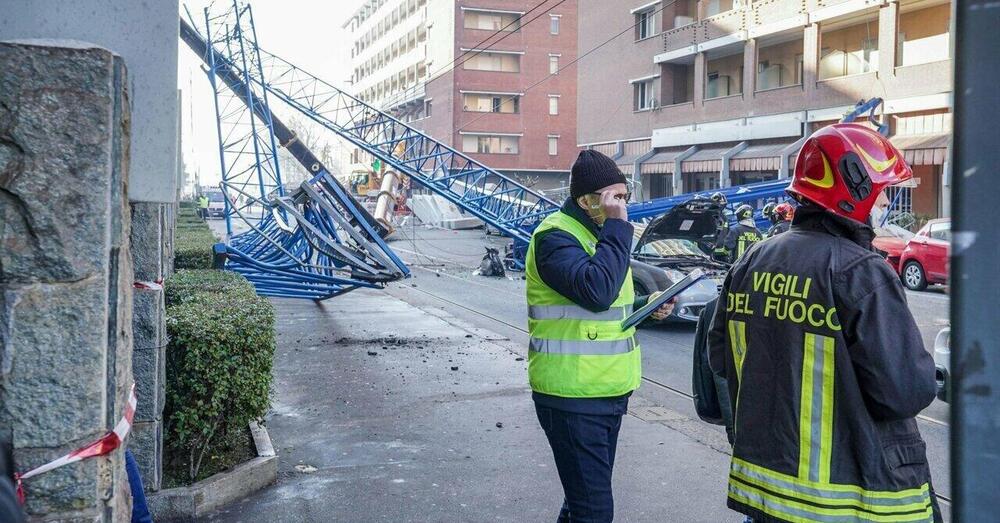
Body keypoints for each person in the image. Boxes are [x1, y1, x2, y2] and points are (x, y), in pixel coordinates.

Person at [707, 123, 942, 523]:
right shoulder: (861, 272)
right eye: (882, 191)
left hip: (765, 493)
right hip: (843, 498)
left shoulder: (751, 261)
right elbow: (902, 393)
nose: (884, 201)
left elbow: (720, 360)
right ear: (854, 189)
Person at [526, 150, 673, 523]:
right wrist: (618, 227)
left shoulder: (599, 235)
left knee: (581, 505)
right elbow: (596, 292)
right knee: (594, 511)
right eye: (613, 198)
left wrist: (647, 304)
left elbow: (610, 307)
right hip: (571, 395)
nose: (621, 206)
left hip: (605, 392)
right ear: (586, 200)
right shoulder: (555, 237)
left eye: (624, 197)